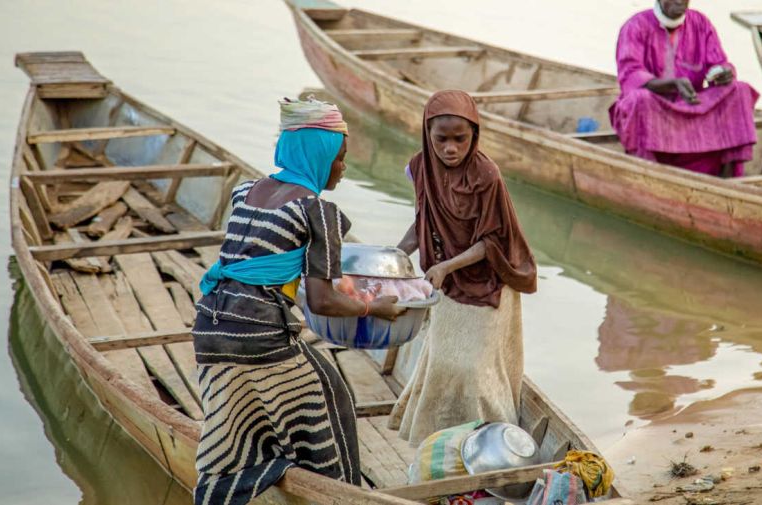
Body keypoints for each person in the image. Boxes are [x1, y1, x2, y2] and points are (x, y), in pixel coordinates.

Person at [192, 96, 405, 505]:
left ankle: (258, 466)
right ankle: (340, 493)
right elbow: (322, 302)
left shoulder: (244, 191)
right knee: (332, 397)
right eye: (339, 158)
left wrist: (336, 287)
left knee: (302, 388)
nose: (343, 167)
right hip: (257, 334)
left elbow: (265, 264)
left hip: (209, 326)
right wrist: (372, 307)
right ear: (317, 155)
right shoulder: (318, 211)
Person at [388, 89, 538, 446]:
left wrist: (447, 266)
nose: (450, 148)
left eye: (460, 139)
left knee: (476, 371)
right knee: (443, 363)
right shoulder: (420, 167)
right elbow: (424, 220)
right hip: (448, 284)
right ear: (427, 134)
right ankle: (437, 439)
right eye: (441, 139)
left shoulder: (487, 175)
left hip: (488, 280)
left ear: (475, 135)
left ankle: (491, 443)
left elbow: (493, 241)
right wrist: (395, 254)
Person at [609, 0, 759, 178]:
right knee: (638, 100)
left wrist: (724, 72)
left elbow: (718, 62)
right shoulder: (635, 26)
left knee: (740, 90)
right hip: (656, 109)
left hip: (692, 106)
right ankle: (647, 174)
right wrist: (673, 84)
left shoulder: (700, 23)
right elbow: (631, 75)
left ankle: (727, 180)